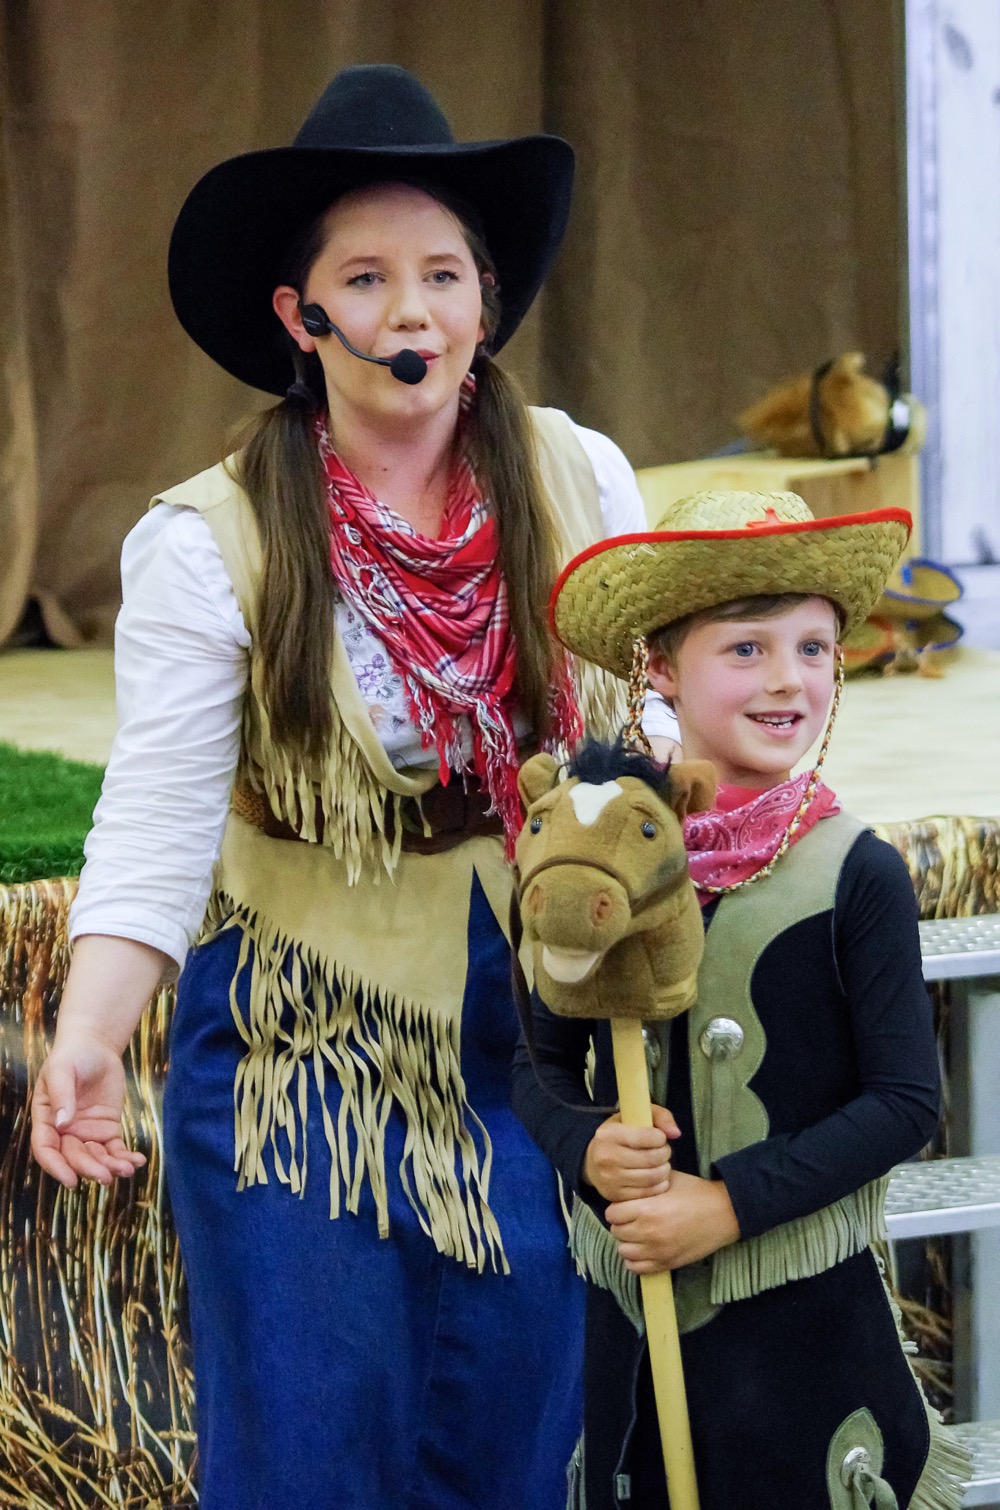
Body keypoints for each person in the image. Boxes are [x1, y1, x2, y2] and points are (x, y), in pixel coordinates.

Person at [28, 65, 679, 1510]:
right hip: (294, 1049)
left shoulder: (580, 476)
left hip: (529, 1039)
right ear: (298, 316)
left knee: (509, 1437)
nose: (411, 312)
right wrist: (88, 1032)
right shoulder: (209, 543)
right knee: (310, 1450)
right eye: (366, 276)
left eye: (443, 273)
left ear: (487, 305)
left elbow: (642, 734)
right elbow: (156, 813)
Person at [512, 489, 972, 1509]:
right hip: (635, 1334)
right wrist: (584, 1142)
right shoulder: (593, 854)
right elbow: (533, 1060)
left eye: (813, 647)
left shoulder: (857, 871)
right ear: (659, 669)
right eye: (747, 649)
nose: (787, 679)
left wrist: (724, 1205)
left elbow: (904, 1101)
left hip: (802, 1338)